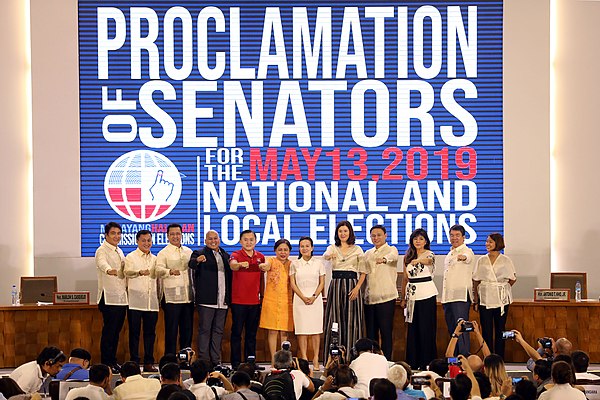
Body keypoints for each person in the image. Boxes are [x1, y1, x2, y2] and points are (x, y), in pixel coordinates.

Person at [322, 221, 367, 361]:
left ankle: (352, 356)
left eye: (345, 231)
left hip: (352, 284)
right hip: (336, 284)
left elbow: (363, 271)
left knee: (352, 319)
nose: (343, 234)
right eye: (340, 231)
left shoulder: (358, 249)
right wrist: (329, 257)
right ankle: (334, 357)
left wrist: (357, 288)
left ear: (350, 232)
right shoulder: (332, 248)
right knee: (335, 318)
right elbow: (325, 256)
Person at [188, 230, 232, 367]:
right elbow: (191, 264)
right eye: (210, 239)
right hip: (207, 300)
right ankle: (204, 360)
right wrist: (197, 260)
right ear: (206, 241)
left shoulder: (225, 255)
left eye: (215, 238)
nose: (213, 241)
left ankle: (216, 360)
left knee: (219, 331)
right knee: (205, 330)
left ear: (219, 239)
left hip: (223, 300)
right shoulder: (199, 253)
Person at [472, 233, 517, 359]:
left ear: (498, 243)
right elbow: (476, 280)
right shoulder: (481, 260)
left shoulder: (506, 260)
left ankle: (499, 358)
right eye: (487, 241)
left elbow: (512, 279)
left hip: (501, 298)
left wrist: (502, 288)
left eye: (490, 242)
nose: (487, 244)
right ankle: (488, 357)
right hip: (485, 297)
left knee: (500, 330)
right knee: (486, 329)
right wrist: (475, 300)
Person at [399, 228, 437, 370]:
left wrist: (418, 260)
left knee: (426, 328)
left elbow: (429, 261)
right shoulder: (408, 255)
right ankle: (413, 361)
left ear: (425, 241)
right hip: (412, 296)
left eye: (421, 239)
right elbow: (405, 278)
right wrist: (403, 298)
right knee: (413, 328)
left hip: (426, 293)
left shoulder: (429, 254)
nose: (418, 241)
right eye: (415, 239)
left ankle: (426, 361)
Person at [229, 230, 266, 369]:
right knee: (237, 333)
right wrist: (239, 265)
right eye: (245, 239)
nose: (248, 242)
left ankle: (250, 362)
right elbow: (232, 265)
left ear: (255, 241)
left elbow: (263, 277)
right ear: (240, 241)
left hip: (255, 302)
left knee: (251, 334)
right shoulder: (236, 255)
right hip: (238, 302)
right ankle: (236, 363)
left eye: (251, 239)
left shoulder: (260, 257)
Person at [156, 223, 194, 356]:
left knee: (187, 331)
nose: (175, 236)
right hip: (171, 298)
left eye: (178, 234)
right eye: (172, 234)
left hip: (187, 297)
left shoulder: (189, 252)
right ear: (167, 236)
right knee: (171, 331)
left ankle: (186, 359)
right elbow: (158, 270)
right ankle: (170, 359)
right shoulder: (163, 253)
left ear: (182, 235)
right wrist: (169, 271)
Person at [124, 229, 159, 372]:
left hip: (152, 302)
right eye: (143, 240)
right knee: (134, 333)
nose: (147, 243)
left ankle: (148, 362)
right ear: (137, 241)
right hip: (135, 301)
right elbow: (126, 272)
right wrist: (139, 272)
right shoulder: (131, 257)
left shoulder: (156, 259)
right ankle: (134, 363)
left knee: (150, 334)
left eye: (149, 240)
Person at [95, 221, 128, 371]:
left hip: (121, 298)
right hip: (108, 297)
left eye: (119, 233)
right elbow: (102, 264)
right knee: (109, 332)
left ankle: (113, 361)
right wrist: (109, 270)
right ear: (106, 235)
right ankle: (106, 363)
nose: (117, 236)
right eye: (113, 233)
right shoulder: (102, 250)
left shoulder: (119, 250)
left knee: (116, 333)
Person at [290, 237, 326, 372]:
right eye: (301, 246)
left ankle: (316, 358)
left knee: (316, 330)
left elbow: (322, 282)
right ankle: (304, 359)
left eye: (307, 246)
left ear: (312, 248)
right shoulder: (295, 264)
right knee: (302, 331)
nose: (304, 248)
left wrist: (314, 296)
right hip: (300, 300)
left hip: (315, 300)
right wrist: (303, 297)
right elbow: (293, 284)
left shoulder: (319, 264)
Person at [363, 225, 399, 360]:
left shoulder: (391, 249)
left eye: (379, 235)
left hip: (386, 298)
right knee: (371, 334)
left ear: (385, 236)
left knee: (386, 333)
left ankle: (387, 361)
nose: (376, 238)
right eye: (373, 235)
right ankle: (373, 360)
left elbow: (392, 257)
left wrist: (383, 259)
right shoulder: (368, 253)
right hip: (369, 299)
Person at [259, 239, 295, 365]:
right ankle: (273, 360)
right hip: (271, 301)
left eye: (285, 250)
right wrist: (263, 266)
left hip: (286, 301)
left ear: (289, 251)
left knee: (284, 332)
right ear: (275, 251)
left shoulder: (292, 264)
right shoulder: (271, 260)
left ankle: (283, 360)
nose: (283, 252)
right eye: (280, 249)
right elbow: (266, 266)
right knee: (272, 331)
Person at [442, 224, 475, 357]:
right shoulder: (450, 253)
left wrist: (463, 257)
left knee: (462, 329)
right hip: (448, 297)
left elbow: (467, 257)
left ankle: (464, 358)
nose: (454, 238)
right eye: (452, 235)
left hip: (460, 296)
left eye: (457, 235)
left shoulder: (467, 251)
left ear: (463, 237)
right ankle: (453, 359)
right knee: (452, 330)